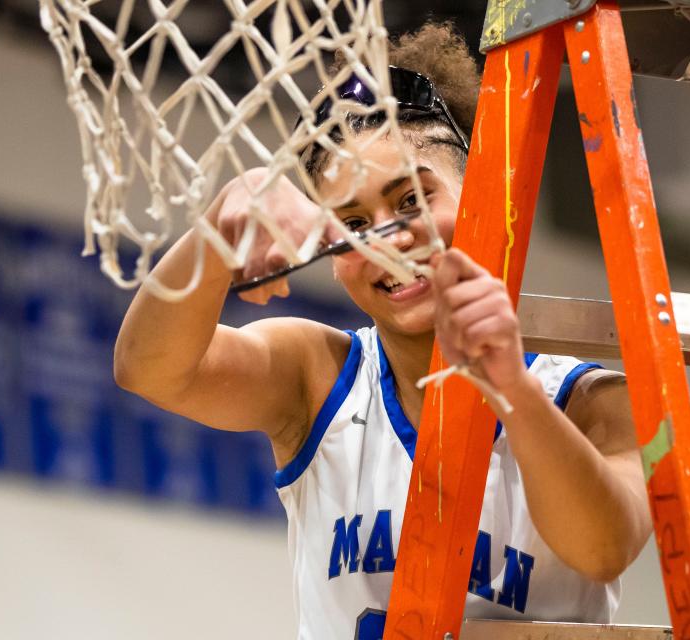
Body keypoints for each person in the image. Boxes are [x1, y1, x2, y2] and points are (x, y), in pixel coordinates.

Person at [114, 23, 652, 639]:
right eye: (351, 221)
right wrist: (218, 227)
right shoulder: (316, 376)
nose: (390, 239)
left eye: (410, 200)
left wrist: (510, 388)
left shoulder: (593, 399)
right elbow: (146, 368)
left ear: (480, 195)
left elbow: (605, 549)